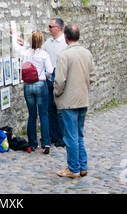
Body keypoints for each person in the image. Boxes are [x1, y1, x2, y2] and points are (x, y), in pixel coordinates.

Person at [54, 23, 95, 178]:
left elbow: (59, 80)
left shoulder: (65, 55)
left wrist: (56, 94)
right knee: (78, 135)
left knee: (70, 136)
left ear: (65, 37)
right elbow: (92, 76)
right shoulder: (87, 54)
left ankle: (73, 168)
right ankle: (82, 166)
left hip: (68, 101)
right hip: (82, 99)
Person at [11, 28, 54, 154]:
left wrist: (14, 34)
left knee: (32, 115)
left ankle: (33, 143)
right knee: (44, 114)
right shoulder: (44, 55)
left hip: (28, 85)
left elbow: (16, 47)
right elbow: (50, 70)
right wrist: (43, 75)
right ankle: (46, 142)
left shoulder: (25, 52)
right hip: (40, 84)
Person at [42, 18, 68, 148]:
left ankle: (61, 137)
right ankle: (52, 135)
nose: (49, 29)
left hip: (60, 76)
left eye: (50, 26)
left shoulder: (65, 42)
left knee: (60, 109)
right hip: (49, 76)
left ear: (58, 28)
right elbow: (40, 53)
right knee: (49, 107)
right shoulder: (48, 42)